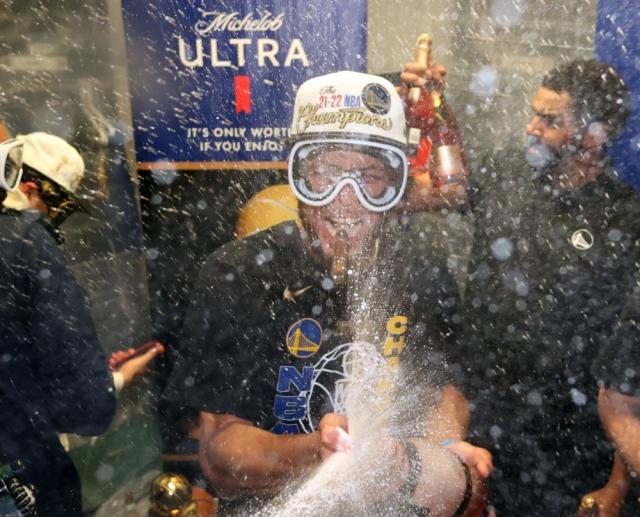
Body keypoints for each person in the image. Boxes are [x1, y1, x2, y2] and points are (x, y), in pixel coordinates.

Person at [163, 71, 492, 516]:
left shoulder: (422, 271)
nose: (346, 200)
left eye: (369, 177)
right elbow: (220, 451)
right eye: (326, 174)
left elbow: (442, 389)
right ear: (296, 175)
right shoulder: (235, 274)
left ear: (397, 187)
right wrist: (315, 453)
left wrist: (445, 446)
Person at [418, 58, 639, 515]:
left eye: (550, 120)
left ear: (595, 136)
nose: (531, 128)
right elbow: (442, 186)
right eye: (534, 113)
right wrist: (430, 107)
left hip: (571, 450)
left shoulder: (627, 222)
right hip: (484, 430)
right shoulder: (507, 173)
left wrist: (616, 487)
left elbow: (631, 378)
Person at [0, 134, 162, 516]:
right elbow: (84, 409)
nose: (55, 221)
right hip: (20, 476)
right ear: (29, 188)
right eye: (57, 208)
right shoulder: (27, 245)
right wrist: (113, 381)